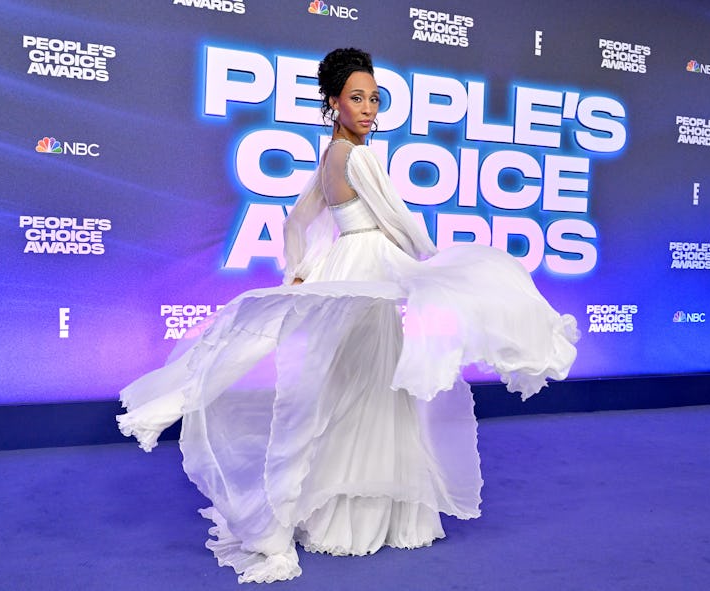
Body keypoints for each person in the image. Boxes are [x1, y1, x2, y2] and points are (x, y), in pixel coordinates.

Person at [117, 48, 579, 584]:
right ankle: (371, 520)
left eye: (374, 99)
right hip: (373, 272)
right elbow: (400, 222)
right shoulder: (358, 157)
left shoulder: (329, 155)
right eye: (356, 98)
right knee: (378, 388)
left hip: (346, 269)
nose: (367, 108)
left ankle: (333, 517)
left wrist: (301, 270)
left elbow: (299, 219)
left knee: (348, 389)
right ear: (333, 102)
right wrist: (431, 264)